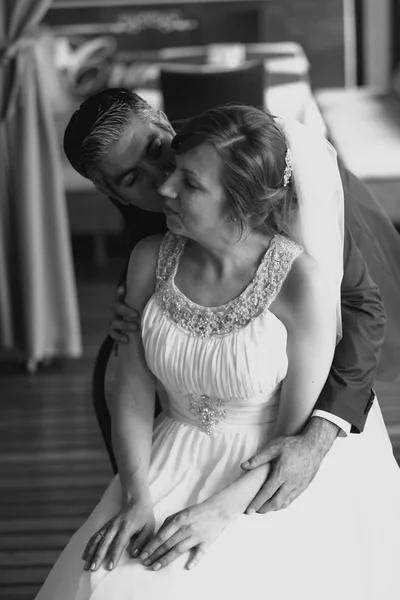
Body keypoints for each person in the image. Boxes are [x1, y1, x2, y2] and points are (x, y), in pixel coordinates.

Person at [35, 104, 400, 600]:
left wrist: (314, 439)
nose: (162, 181)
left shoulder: (264, 162)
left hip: (291, 419)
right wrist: (141, 314)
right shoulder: (153, 234)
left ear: (167, 121)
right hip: (182, 422)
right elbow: (137, 376)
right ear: (112, 192)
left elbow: (360, 307)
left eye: (158, 151)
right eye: (133, 179)